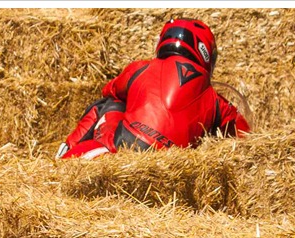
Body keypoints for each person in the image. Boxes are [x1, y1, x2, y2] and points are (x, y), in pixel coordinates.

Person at [56, 17, 250, 160]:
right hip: (173, 168)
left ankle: (67, 153)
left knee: (110, 104)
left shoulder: (140, 68)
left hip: (127, 151)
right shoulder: (217, 101)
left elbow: (109, 92)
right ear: (205, 52)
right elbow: (245, 138)